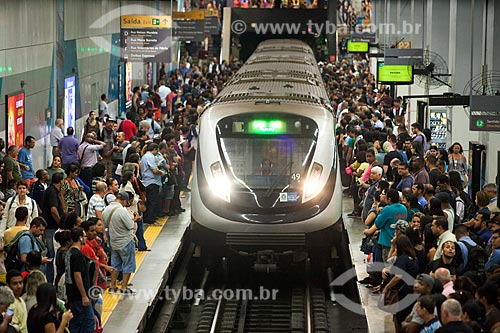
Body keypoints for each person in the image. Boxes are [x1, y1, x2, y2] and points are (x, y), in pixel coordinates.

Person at [102, 192, 138, 294]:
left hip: (113, 242)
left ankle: (112, 286)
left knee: (115, 264)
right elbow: (130, 225)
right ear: (124, 200)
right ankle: (124, 287)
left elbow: (105, 224)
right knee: (128, 263)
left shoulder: (106, 209)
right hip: (125, 241)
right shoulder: (122, 211)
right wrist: (133, 218)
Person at [65, 227, 95, 333]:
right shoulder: (77, 255)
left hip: (71, 293)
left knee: (76, 321)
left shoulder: (69, 252)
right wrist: (84, 295)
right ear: (80, 238)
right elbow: (77, 275)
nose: (86, 238)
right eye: (84, 236)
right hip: (79, 295)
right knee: (88, 321)